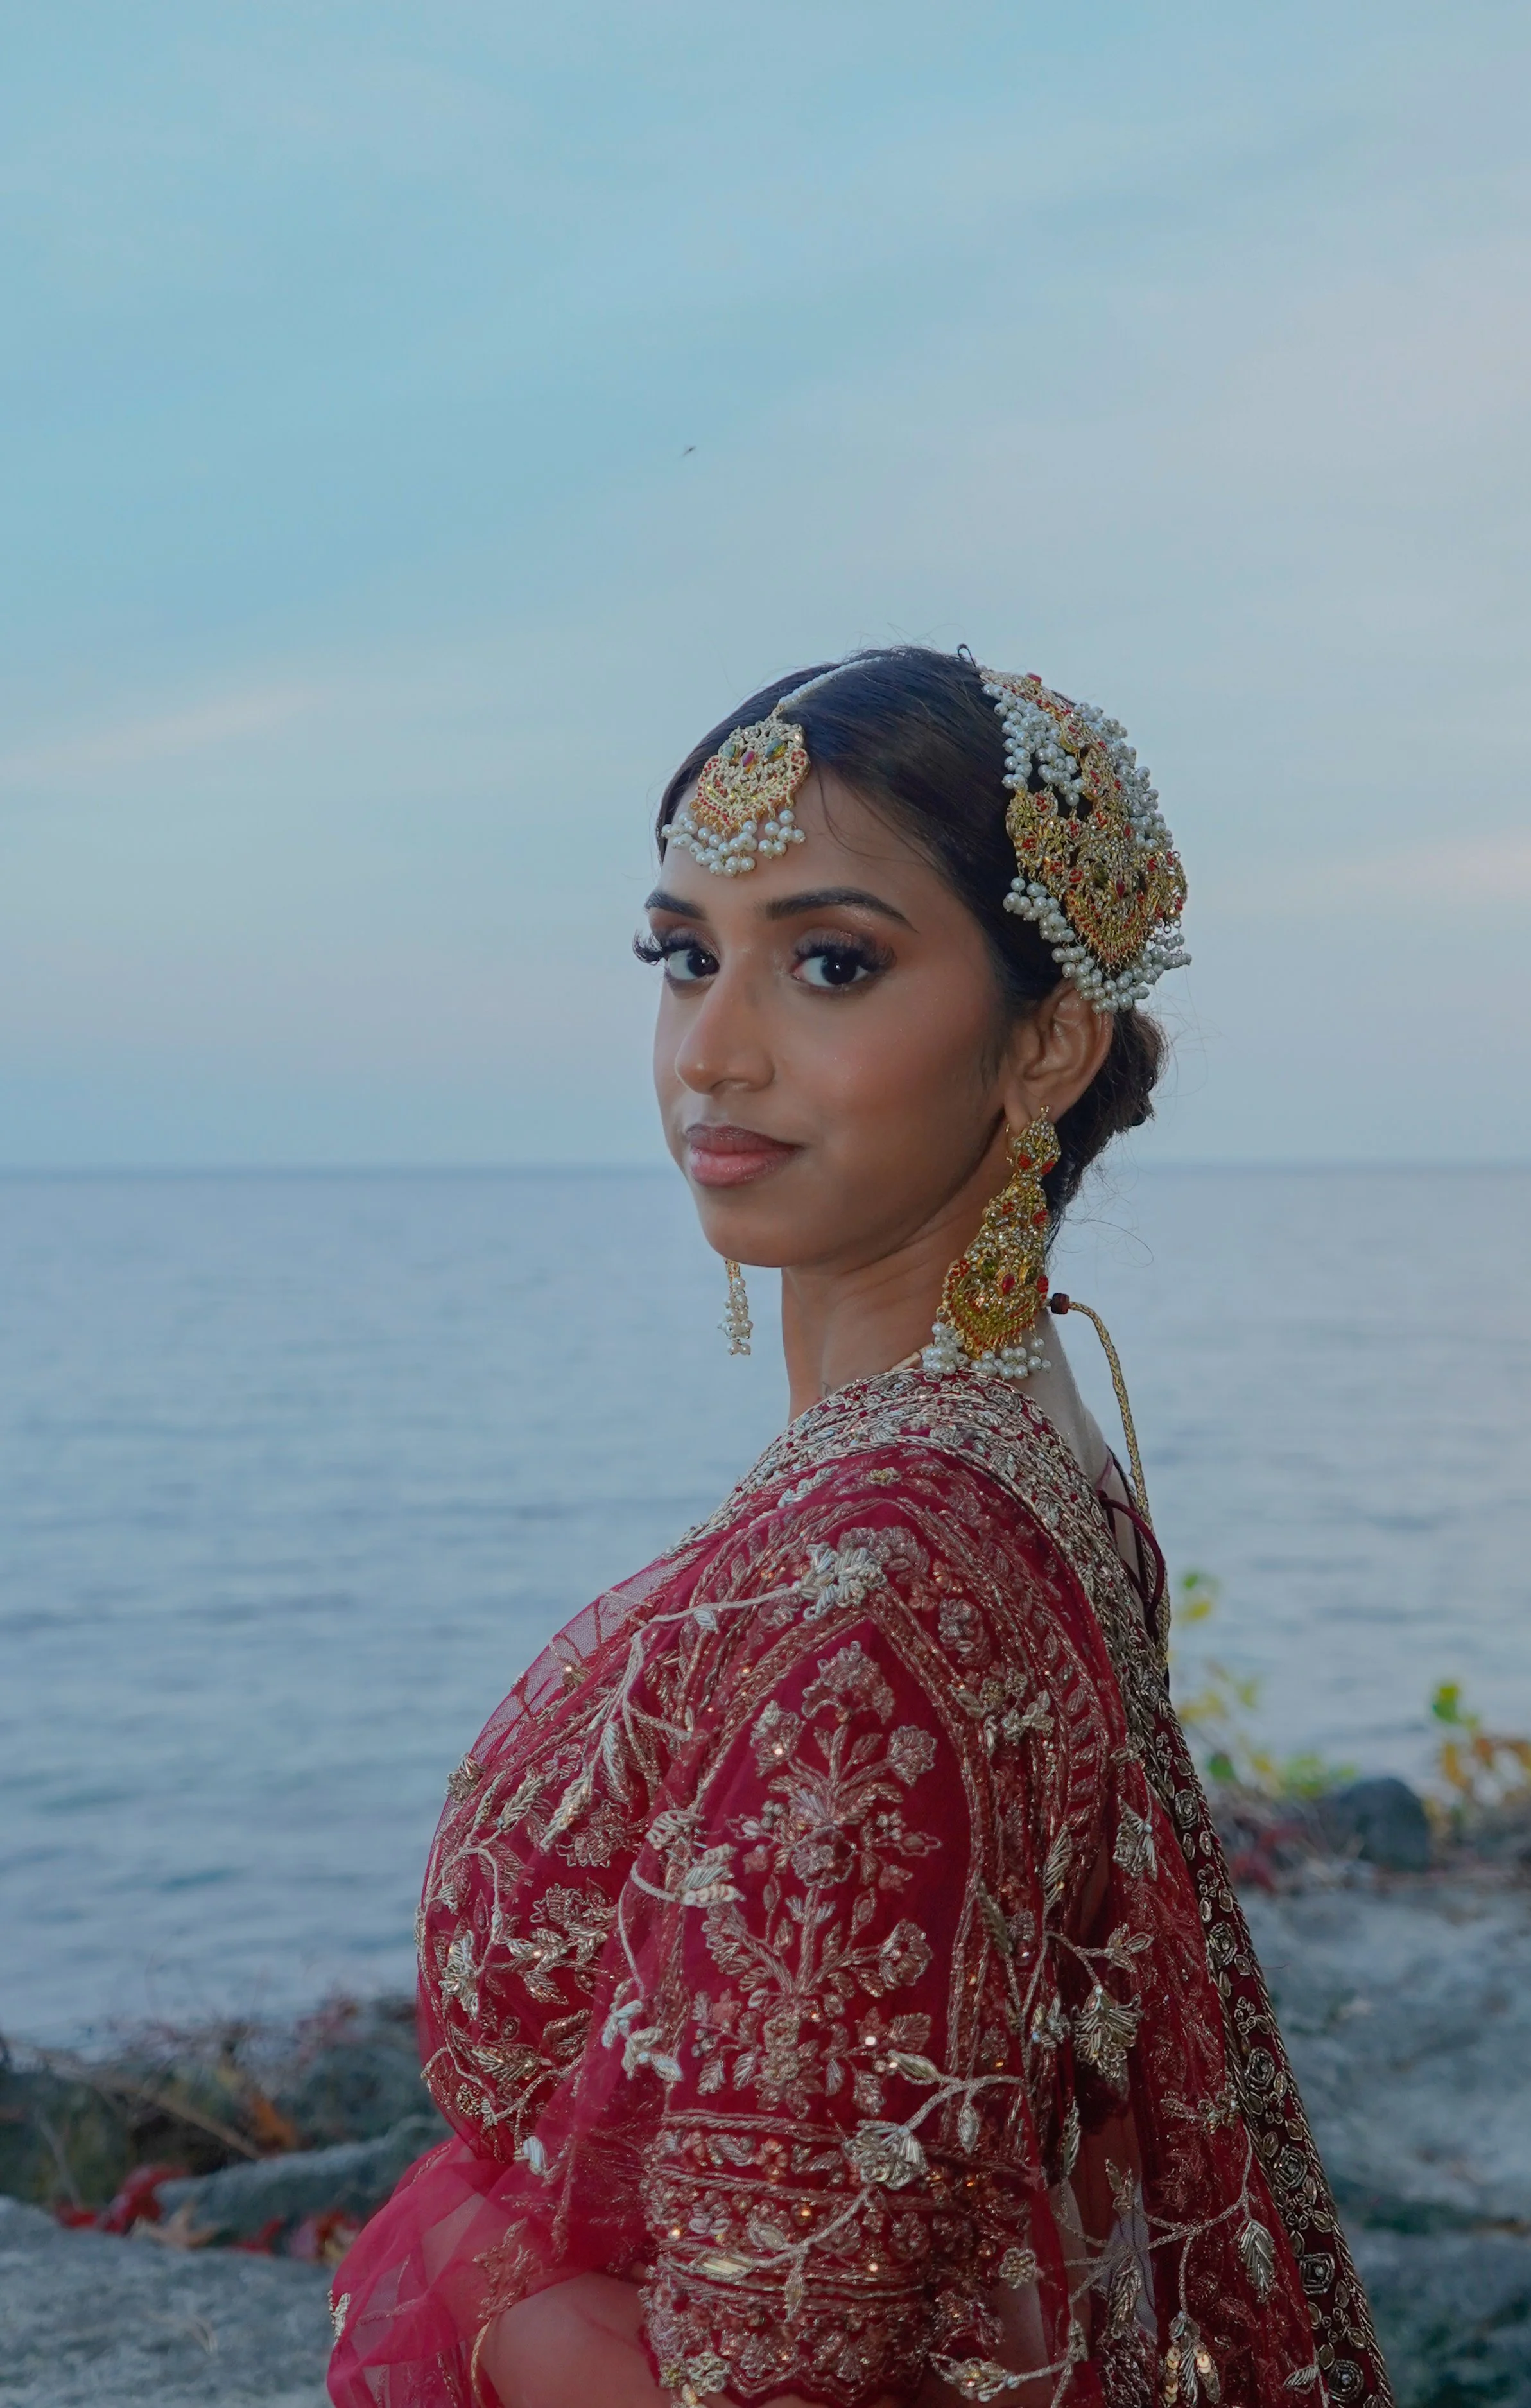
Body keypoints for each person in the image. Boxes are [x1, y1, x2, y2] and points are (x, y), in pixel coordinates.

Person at [327, 649, 1390, 2408]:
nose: (711, 1050)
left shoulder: (882, 1565)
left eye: (829, 961)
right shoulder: (1028, 1448)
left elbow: (774, 2375)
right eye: (682, 954)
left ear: (1042, 1039)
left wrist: (463, 2251)